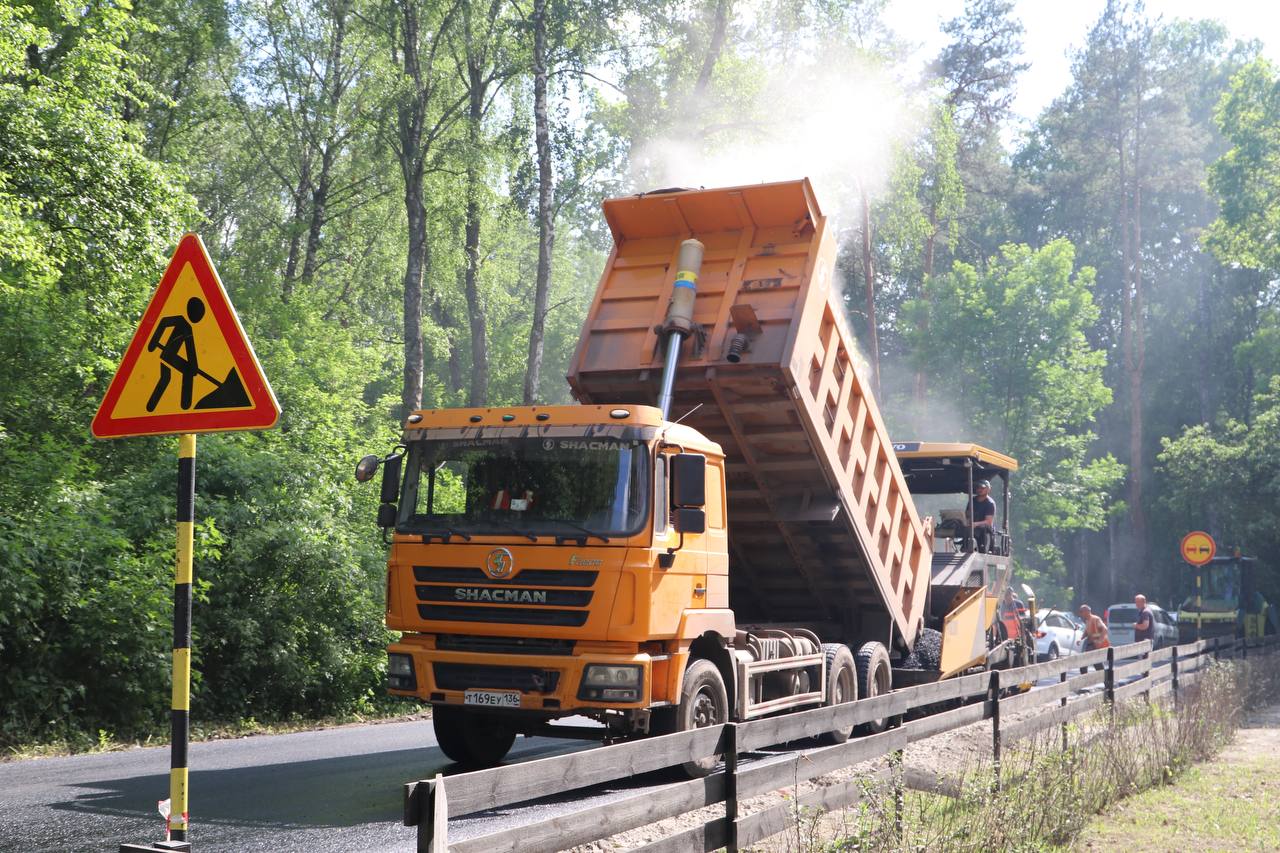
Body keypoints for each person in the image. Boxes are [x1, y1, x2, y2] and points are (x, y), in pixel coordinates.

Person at [966, 479, 997, 553]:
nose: (979, 489)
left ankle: (981, 549)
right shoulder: (972, 501)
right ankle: (965, 547)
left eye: (982, 488)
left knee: (981, 529)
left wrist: (975, 524)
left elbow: (988, 522)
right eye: (978, 487)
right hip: (972, 527)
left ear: (988, 489)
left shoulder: (990, 503)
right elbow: (967, 514)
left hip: (985, 530)